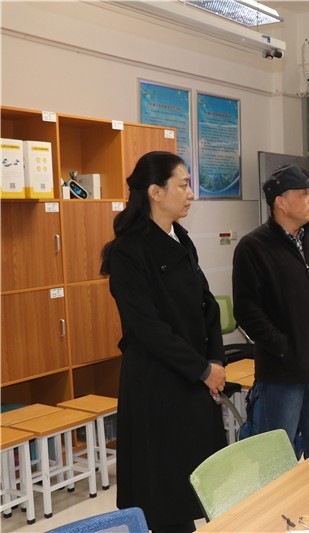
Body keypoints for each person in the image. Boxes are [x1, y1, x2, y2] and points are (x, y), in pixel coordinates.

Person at [99, 151, 226, 533]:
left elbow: (208, 307)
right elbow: (146, 328)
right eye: (183, 185)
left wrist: (215, 361)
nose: (190, 193)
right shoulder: (130, 250)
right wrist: (201, 368)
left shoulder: (180, 238)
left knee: (197, 482)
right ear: (156, 192)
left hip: (194, 377)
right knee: (164, 493)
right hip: (157, 383)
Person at [232, 165, 309, 459]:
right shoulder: (253, 247)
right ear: (281, 202)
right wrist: (283, 347)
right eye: (304, 193)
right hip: (284, 371)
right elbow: (247, 310)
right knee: (279, 453)